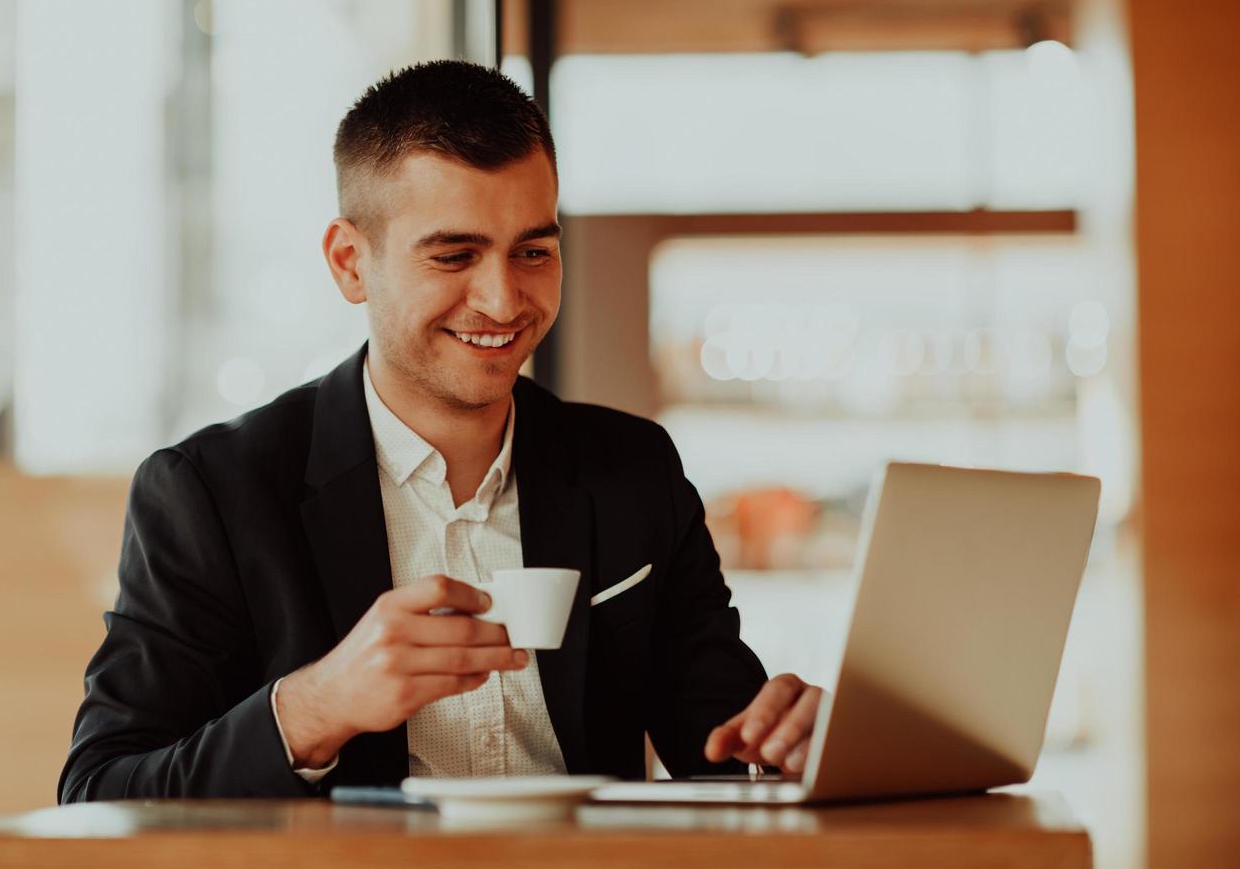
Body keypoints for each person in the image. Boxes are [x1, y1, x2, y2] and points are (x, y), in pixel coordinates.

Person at [59, 61, 824, 801]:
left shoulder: (632, 469)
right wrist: (316, 707)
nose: (502, 299)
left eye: (533, 252)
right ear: (351, 264)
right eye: (455, 255)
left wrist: (787, 746)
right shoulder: (212, 492)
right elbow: (101, 792)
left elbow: (724, 750)